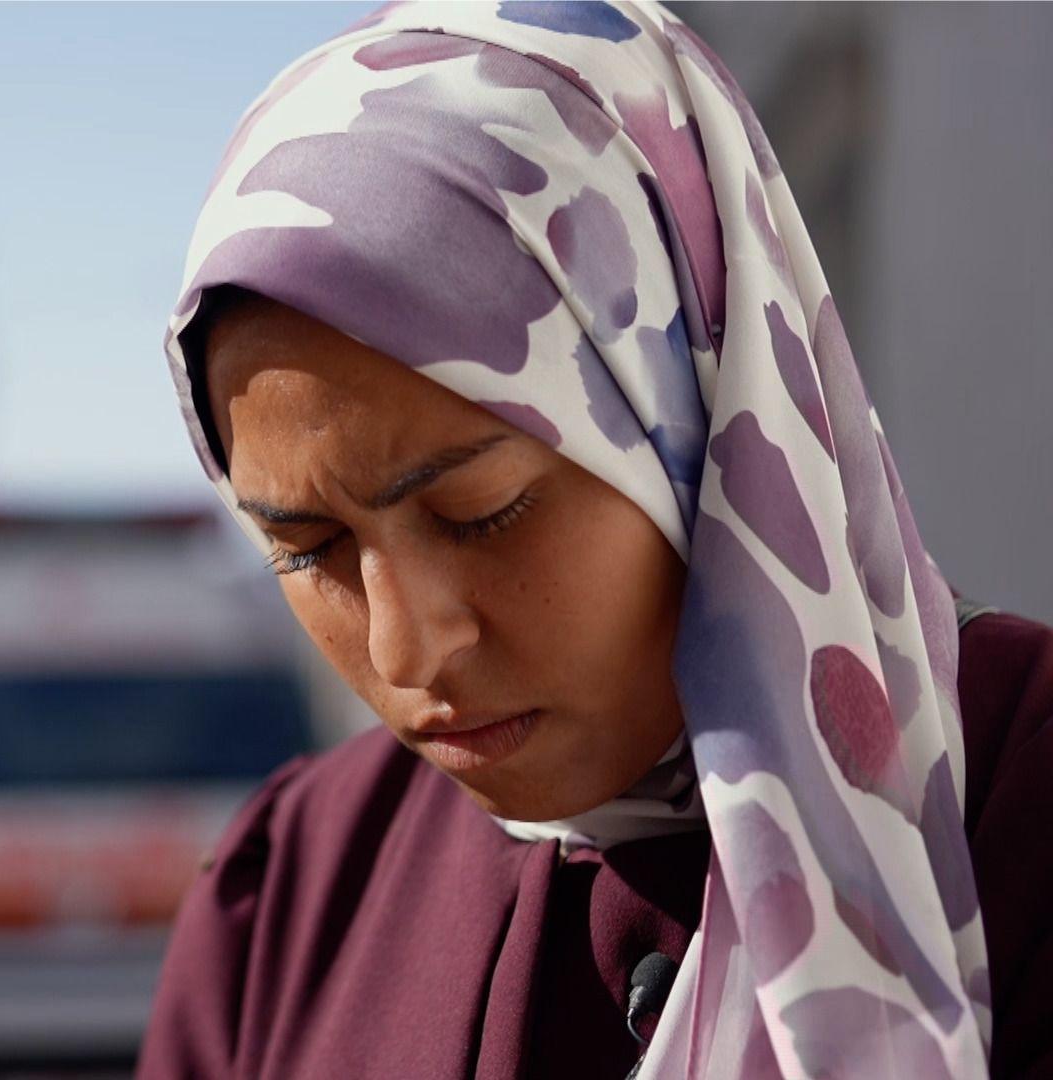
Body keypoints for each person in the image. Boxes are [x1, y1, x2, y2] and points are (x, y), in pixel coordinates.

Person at [138, 3, 1053, 1078]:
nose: (405, 650)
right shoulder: (292, 895)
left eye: (481, 511)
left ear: (694, 419)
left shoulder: (1015, 799)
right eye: (307, 548)